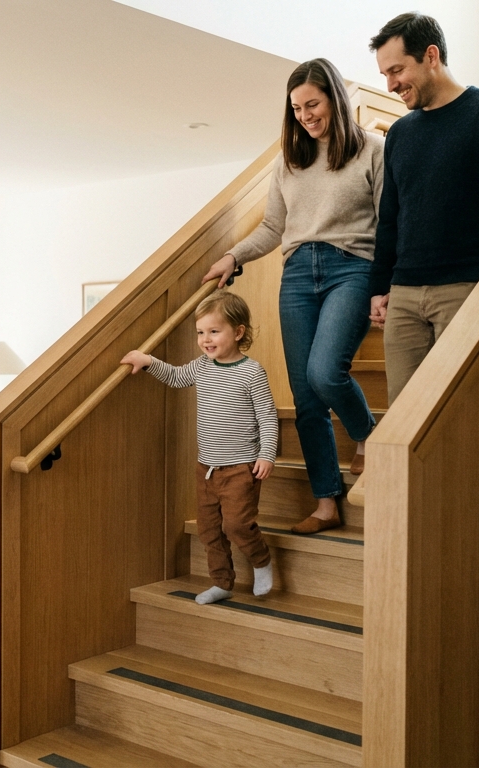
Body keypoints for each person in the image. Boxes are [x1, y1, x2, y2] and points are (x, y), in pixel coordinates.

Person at [202, 58, 383, 536]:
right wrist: (233, 257)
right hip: (299, 273)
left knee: (325, 372)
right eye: (297, 108)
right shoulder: (289, 160)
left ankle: (368, 432)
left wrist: (385, 285)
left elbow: (390, 223)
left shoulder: (373, 150)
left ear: (335, 100)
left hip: (353, 267)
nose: (305, 116)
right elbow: (272, 227)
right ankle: (326, 503)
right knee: (305, 397)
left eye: (313, 104)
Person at [368, 13, 479, 404]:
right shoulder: (400, 134)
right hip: (404, 295)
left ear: (431, 56)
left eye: (397, 70)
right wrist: (378, 287)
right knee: (403, 418)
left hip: (468, 289)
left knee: (466, 411)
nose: (391, 85)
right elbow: (389, 217)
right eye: (385, 75)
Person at [122, 291, 278, 605]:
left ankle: (261, 561)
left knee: (236, 524)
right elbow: (177, 377)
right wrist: (148, 361)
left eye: (214, 331)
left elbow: (267, 416)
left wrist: (267, 454)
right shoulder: (202, 366)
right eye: (200, 332)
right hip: (206, 468)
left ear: (238, 332)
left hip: (241, 468)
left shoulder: (252, 372)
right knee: (209, 530)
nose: (205, 339)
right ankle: (222, 582)